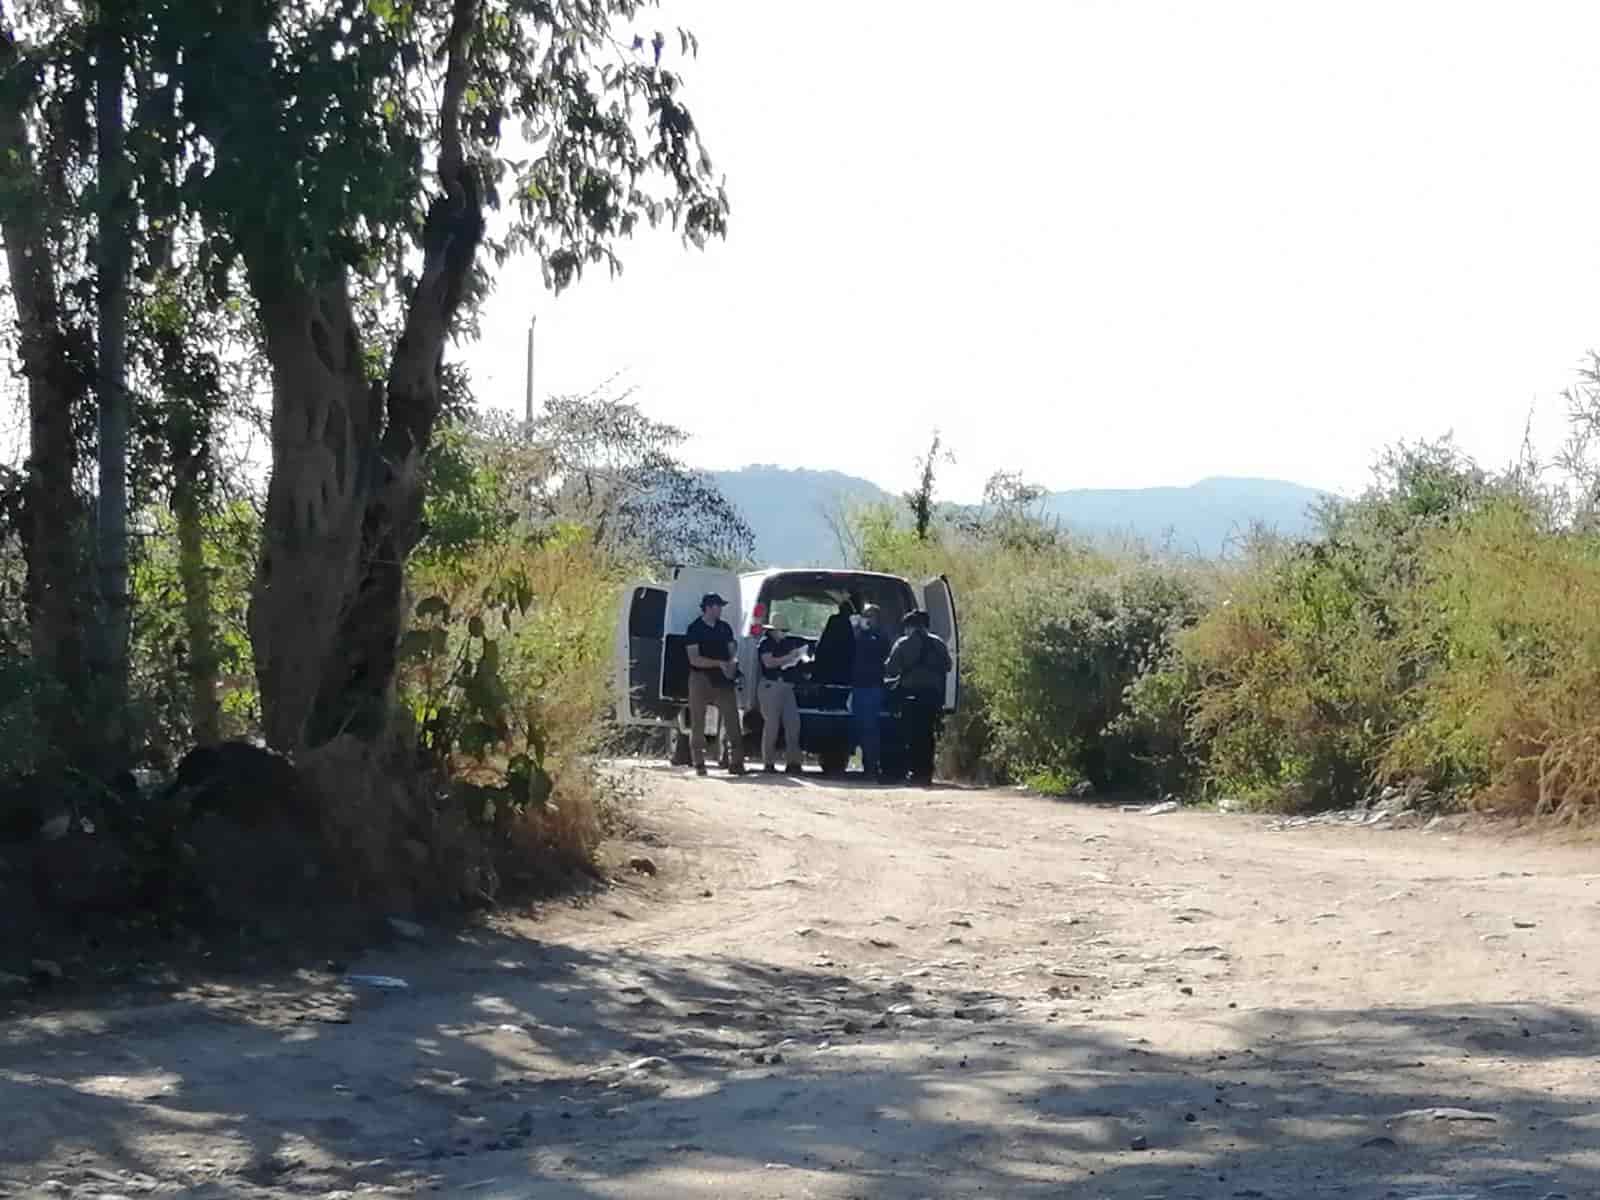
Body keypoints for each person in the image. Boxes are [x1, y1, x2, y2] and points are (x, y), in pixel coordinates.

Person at [885, 608, 951, 786]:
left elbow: (891, 668)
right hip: (932, 697)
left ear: (910, 626)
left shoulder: (903, 643)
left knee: (910, 734)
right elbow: (948, 666)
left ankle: (913, 772)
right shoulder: (938, 643)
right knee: (928, 735)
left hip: (910, 696)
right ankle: (926, 773)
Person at [684, 593, 746, 777]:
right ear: (708, 607)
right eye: (718, 606)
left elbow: (731, 651)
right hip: (700, 678)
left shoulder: (724, 628)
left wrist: (733, 664)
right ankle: (699, 762)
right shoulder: (695, 629)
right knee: (698, 721)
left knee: (732, 720)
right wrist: (718, 663)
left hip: (723, 680)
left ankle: (736, 762)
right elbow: (694, 659)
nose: (720, 610)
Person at [756, 621, 807, 774]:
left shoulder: (787, 644)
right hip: (770, 686)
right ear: (773, 630)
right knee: (772, 725)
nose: (784, 632)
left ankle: (793, 762)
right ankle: (768, 763)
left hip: (787, 686)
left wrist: (797, 657)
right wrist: (789, 658)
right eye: (782, 629)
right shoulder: (765, 643)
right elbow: (769, 663)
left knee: (793, 724)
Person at [851, 604, 890, 779]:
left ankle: (872, 767)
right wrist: (857, 630)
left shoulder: (880, 637)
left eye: (870, 616)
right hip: (859, 687)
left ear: (876, 619)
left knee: (870, 728)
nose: (866, 619)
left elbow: (876, 650)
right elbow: (853, 648)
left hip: (872, 688)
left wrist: (863, 631)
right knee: (861, 726)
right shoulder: (861, 634)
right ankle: (867, 764)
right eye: (865, 615)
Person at [813, 599, 856, 685]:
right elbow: (851, 649)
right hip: (842, 673)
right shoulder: (848, 625)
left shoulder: (833, 620)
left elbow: (823, 644)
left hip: (826, 671)